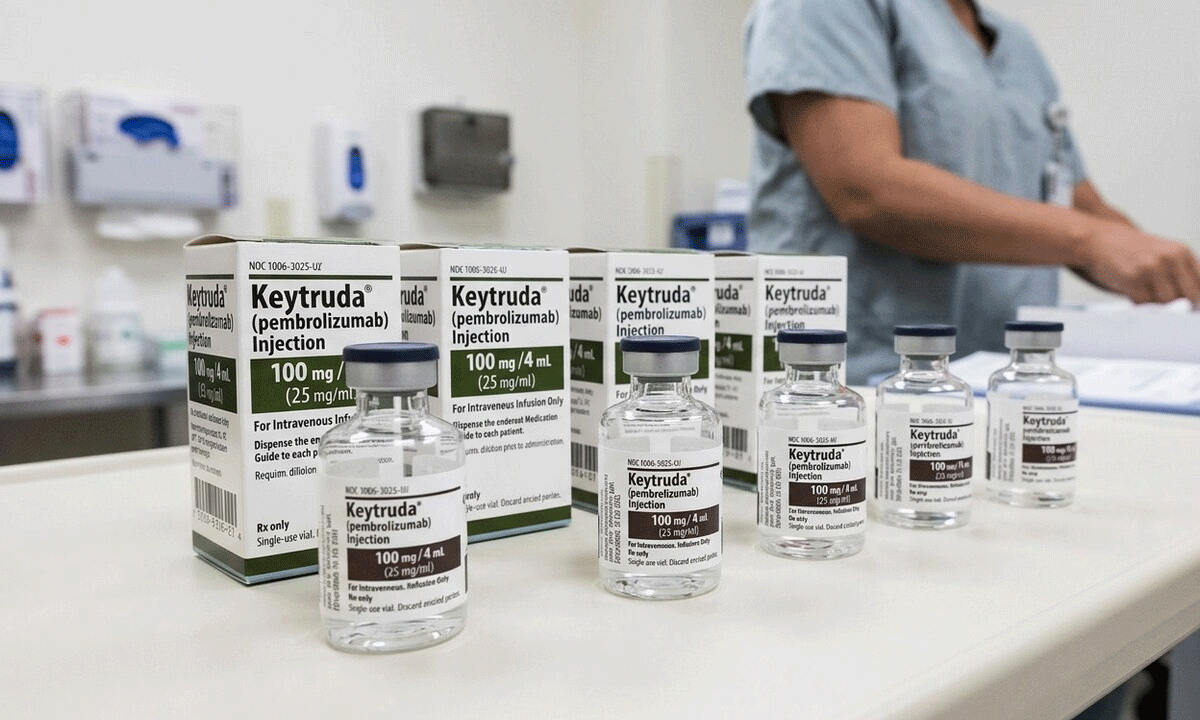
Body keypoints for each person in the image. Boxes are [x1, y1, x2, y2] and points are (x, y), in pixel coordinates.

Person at [744, 0, 1200, 384]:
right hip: (856, 383)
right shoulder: (824, 8)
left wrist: (1167, 272)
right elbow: (866, 189)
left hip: (1007, 384)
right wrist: (1092, 239)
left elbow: (1075, 204)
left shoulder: (1014, 43)